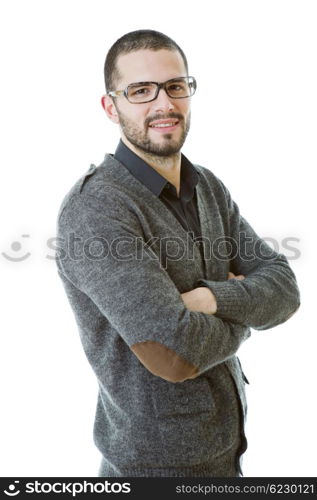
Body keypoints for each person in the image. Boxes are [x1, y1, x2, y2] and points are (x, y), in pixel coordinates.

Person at [55, 29, 300, 477]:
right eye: (140, 91)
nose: (163, 104)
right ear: (111, 107)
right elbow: (173, 351)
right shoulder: (98, 210)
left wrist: (210, 300)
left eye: (175, 86)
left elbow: (284, 288)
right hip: (154, 468)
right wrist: (247, 311)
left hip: (227, 451)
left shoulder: (206, 185)